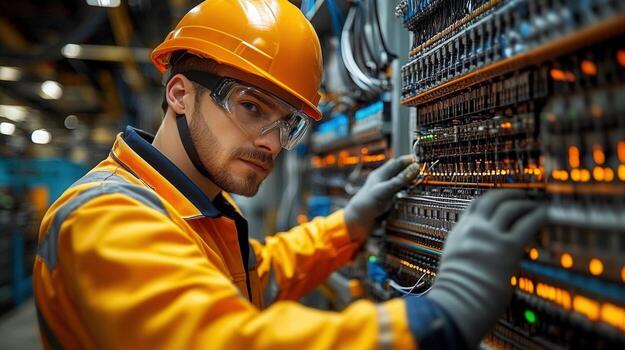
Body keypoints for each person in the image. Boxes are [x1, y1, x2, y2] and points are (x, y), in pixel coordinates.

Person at [33, 1, 546, 349]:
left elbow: (263, 275)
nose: (272, 143)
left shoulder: (191, 214)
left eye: (287, 124)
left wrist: (350, 224)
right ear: (179, 94)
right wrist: (442, 317)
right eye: (251, 107)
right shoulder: (106, 217)